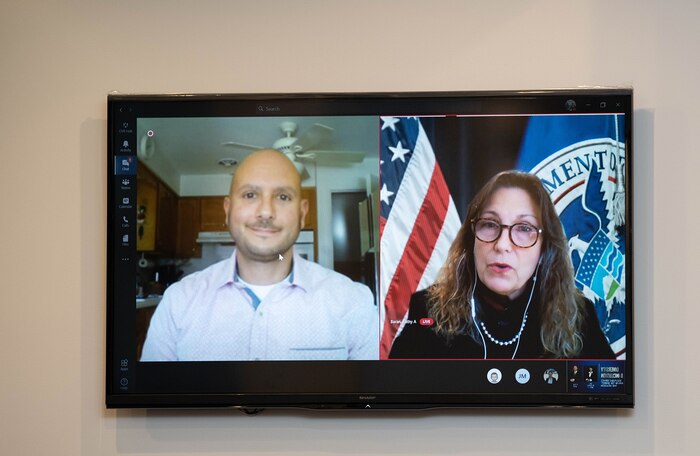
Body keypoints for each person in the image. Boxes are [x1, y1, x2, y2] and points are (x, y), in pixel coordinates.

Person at [141, 149, 379, 361]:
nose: (266, 212)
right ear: (228, 210)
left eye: (283, 197)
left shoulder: (353, 303)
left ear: (302, 213)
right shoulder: (177, 302)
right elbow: (155, 406)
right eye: (250, 195)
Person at [389, 170, 615, 360]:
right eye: (489, 224)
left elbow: (604, 396)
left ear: (545, 248)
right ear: (471, 240)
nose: (502, 245)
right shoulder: (426, 309)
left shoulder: (578, 317)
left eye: (524, 228)